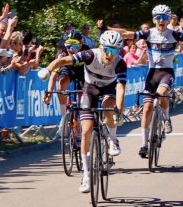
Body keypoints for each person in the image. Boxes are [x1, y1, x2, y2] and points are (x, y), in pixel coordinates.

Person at [107, 5, 183, 159]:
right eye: (158, 17)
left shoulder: (174, 34)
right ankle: (144, 144)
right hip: (152, 73)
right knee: (147, 107)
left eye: (164, 17)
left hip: (166, 72)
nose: (161, 20)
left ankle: (166, 117)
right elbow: (127, 33)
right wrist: (106, 28)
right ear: (154, 19)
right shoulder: (148, 33)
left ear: (168, 19)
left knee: (162, 94)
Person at [38, 30, 127, 193]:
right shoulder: (89, 55)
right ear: (101, 47)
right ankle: (86, 176)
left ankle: (113, 139)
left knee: (108, 108)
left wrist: (119, 109)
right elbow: (64, 60)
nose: (110, 54)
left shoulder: (120, 63)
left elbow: (121, 87)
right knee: (85, 130)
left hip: (108, 89)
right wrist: (48, 68)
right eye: (108, 49)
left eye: (115, 50)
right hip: (90, 89)